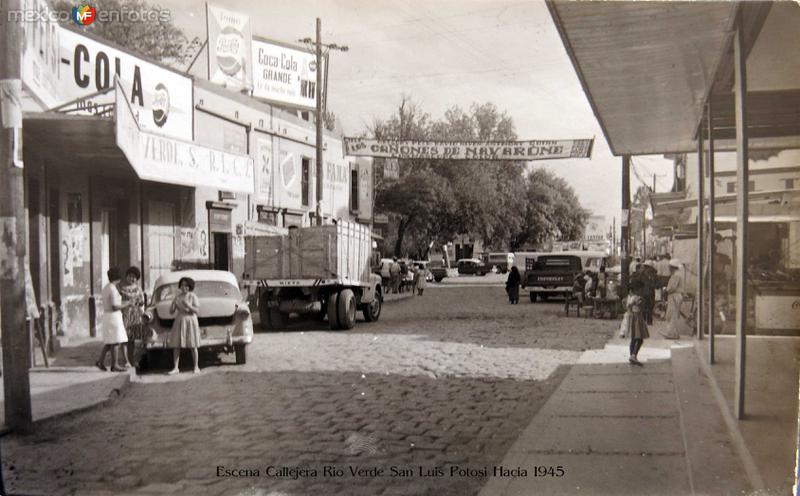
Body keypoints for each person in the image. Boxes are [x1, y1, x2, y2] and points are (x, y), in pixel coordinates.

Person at [95, 267, 133, 372]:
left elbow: (114, 304)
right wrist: (127, 304)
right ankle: (114, 365)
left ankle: (100, 361)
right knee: (116, 341)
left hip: (108, 316)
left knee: (109, 342)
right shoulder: (113, 289)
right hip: (114, 316)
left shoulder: (106, 287)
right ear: (118, 277)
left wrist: (126, 303)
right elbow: (115, 306)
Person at [167, 277, 201, 374]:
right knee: (176, 345)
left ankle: (196, 366)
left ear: (190, 286)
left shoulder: (192, 296)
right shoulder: (178, 296)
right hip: (180, 320)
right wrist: (173, 303)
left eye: (186, 285)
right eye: (182, 285)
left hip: (191, 321)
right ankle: (176, 368)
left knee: (193, 344)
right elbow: (171, 311)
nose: (184, 287)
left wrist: (188, 305)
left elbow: (197, 311)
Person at [118, 266, 146, 367]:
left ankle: (131, 359)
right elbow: (117, 302)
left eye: (134, 277)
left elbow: (142, 302)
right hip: (124, 315)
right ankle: (126, 361)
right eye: (130, 276)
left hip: (134, 316)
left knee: (132, 340)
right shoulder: (120, 288)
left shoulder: (138, 289)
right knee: (124, 339)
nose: (132, 279)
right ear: (126, 276)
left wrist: (141, 310)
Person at [626, 277, 650, 366]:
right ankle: (633, 355)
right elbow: (642, 306)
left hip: (632, 318)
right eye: (641, 289)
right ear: (637, 289)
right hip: (637, 318)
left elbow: (628, 306)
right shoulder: (638, 298)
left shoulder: (629, 297)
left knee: (633, 338)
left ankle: (632, 356)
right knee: (639, 339)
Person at [662, 259, 684, 339]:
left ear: (672, 267)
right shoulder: (677, 274)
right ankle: (674, 333)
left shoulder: (676, 275)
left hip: (674, 296)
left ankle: (672, 333)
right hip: (675, 296)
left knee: (671, 315)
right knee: (673, 314)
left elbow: (672, 287)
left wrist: (666, 290)